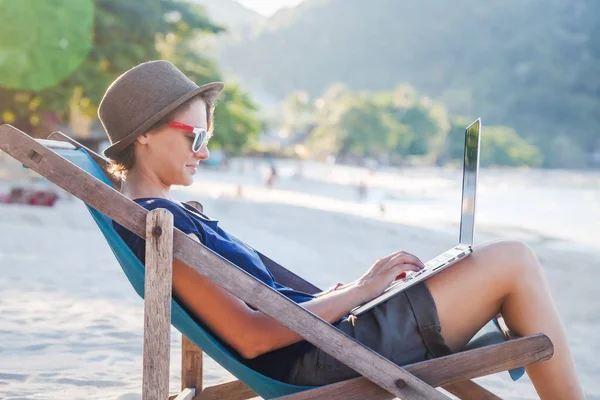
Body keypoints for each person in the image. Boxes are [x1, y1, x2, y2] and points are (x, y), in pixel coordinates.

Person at [99, 61, 584, 399]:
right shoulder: (160, 227)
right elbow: (249, 337)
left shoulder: (166, 217)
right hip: (318, 361)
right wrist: (361, 292)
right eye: (196, 137)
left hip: (322, 340)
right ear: (145, 132)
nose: (203, 151)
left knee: (504, 263)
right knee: (513, 261)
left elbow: (262, 306)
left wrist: (356, 289)